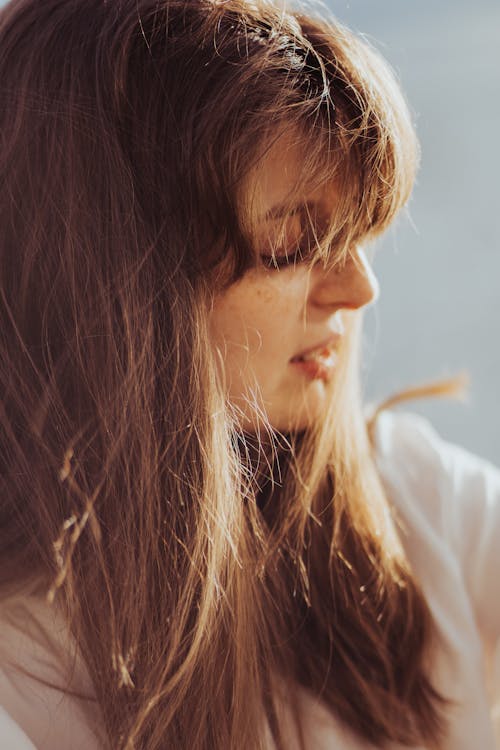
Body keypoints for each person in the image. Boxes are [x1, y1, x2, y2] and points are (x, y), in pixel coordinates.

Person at [0, 0, 499, 748]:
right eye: (293, 245)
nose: (359, 291)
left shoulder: (419, 510)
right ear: (111, 296)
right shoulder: (24, 683)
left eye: (355, 233)